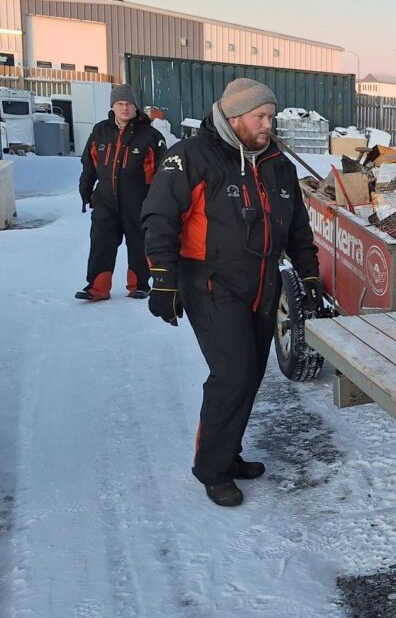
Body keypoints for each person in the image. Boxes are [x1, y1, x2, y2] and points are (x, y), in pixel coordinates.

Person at [142, 78, 321, 507]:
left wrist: (309, 276)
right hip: (210, 282)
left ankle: (229, 450)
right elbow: (159, 217)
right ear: (235, 116)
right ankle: (213, 468)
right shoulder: (191, 157)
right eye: (261, 117)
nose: (268, 124)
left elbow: (296, 226)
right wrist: (163, 279)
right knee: (233, 373)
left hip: (261, 281)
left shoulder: (278, 163)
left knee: (252, 373)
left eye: (271, 117)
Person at [76, 84, 166, 301]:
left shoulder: (151, 136)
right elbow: (89, 164)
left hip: (138, 202)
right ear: (113, 107)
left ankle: (139, 285)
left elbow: (163, 173)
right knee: (101, 243)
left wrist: (159, 203)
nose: (125, 108)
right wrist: (86, 191)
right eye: (120, 104)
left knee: (139, 244)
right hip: (105, 201)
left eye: (129, 104)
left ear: (135, 107)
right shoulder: (100, 131)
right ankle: (97, 288)